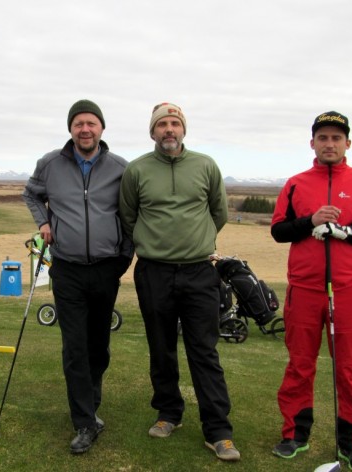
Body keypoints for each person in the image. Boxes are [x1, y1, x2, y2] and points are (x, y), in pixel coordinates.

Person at [119, 102, 240, 462]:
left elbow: (218, 212)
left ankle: (218, 431)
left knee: (204, 350)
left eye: (174, 123)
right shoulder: (137, 170)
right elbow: (128, 216)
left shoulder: (206, 165)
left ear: (183, 129)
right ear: (152, 132)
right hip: (153, 271)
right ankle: (168, 412)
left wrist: (195, 242)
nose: (168, 129)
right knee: (161, 347)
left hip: (199, 271)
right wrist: (154, 242)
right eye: (162, 124)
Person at [271, 111, 352, 472]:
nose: (329, 144)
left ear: (347, 143)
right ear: (313, 143)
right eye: (323, 137)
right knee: (299, 366)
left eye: (336, 138)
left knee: (350, 370)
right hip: (304, 290)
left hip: (349, 291)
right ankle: (295, 434)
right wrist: (310, 222)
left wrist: (345, 232)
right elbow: (279, 231)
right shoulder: (296, 184)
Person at [22, 99, 133, 454]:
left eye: (91, 123)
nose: (85, 129)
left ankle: (91, 405)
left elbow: (131, 215)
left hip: (106, 268)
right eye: (78, 124)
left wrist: (123, 257)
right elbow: (31, 194)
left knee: (98, 346)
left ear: (102, 128)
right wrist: (43, 221)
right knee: (74, 347)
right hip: (67, 269)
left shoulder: (121, 168)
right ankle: (84, 422)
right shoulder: (50, 164)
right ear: (70, 128)